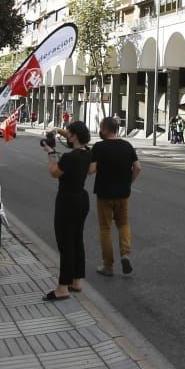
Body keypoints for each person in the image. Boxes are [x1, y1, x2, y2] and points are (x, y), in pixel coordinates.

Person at [43, 121, 94, 300]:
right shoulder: (88, 153)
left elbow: (54, 172)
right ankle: (77, 281)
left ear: (74, 136)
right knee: (77, 240)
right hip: (82, 199)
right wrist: (57, 130)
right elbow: (91, 170)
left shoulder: (68, 157)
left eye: (69, 133)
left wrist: (50, 154)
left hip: (67, 200)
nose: (68, 136)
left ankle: (62, 287)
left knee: (65, 243)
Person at [92, 117, 141, 277]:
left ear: (105, 129)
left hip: (104, 194)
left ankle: (108, 266)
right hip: (123, 194)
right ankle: (125, 254)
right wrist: (129, 182)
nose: (100, 130)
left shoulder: (99, 147)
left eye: (101, 127)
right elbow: (138, 167)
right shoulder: (127, 146)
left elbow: (91, 170)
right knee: (123, 224)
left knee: (105, 229)